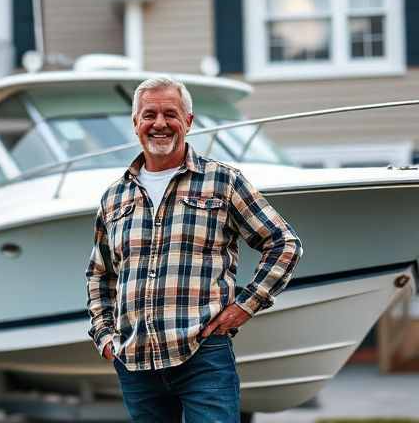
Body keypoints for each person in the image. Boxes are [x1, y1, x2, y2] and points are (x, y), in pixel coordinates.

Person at [85, 76, 303, 422]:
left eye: (170, 114)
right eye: (149, 115)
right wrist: (105, 337)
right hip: (136, 363)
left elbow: (284, 243)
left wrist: (244, 307)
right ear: (135, 124)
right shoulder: (114, 197)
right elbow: (100, 275)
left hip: (203, 357)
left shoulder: (223, 182)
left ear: (188, 121)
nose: (159, 124)